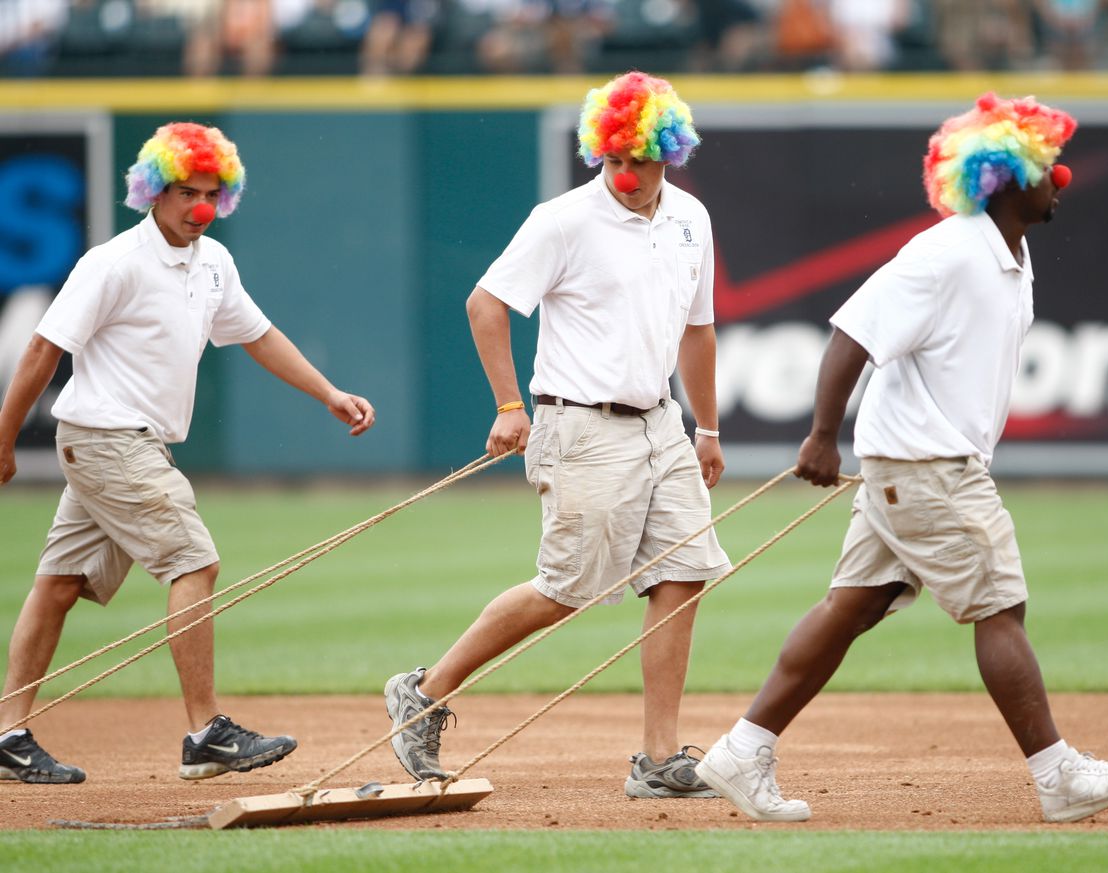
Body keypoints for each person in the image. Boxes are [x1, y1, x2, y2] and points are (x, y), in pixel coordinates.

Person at [694, 93, 1108, 823]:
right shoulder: (946, 251)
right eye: (1047, 168)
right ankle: (1057, 773)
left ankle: (740, 749)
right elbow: (853, 332)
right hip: (928, 467)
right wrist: (822, 433)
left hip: (919, 464)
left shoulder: (1012, 252)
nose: (1060, 180)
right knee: (1000, 603)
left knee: (853, 605)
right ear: (1006, 179)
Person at [385, 70, 731, 799]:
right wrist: (510, 404)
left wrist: (708, 425)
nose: (628, 175)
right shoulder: (563, 219)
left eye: (642, 158)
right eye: (615, 159)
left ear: (671, 151)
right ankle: (426, 688)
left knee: (685, 572)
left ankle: (659, 758)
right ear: (597, 152)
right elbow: (485, 304)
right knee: (568, 588)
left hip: (662, 423)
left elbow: (698, 331)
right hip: (579, 421)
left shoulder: (690, 218)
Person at [0, 122, 376, 784]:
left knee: (58, 586)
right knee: (194, 561)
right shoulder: (113, 263)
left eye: (211, 192)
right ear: (152, 191)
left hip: (127, 443)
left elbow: (257, 335)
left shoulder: (214, 262)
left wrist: (328, 392)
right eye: (184, 191)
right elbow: (41, 348)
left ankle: (6, 733)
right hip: (107, 437)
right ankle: (206, 733)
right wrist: (3, 441)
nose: (199, 206)